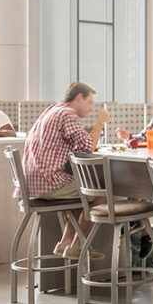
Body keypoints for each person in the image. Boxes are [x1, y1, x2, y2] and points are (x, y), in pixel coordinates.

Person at [19, 82, 108, 256]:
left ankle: (66, 242)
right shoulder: (68, 114)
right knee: (98, 192)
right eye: (90, 103)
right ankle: (79, 246)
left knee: (79, 191)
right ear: (79, 98)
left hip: (33, 183)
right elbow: (87, 148)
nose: (91, 109)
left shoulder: (53, 109)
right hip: (48, 185)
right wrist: (100, 122)